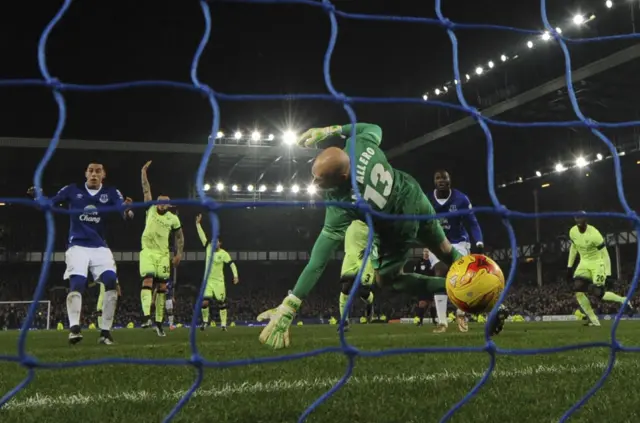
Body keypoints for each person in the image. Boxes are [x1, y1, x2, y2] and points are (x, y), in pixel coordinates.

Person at [259, 123, 480, 349]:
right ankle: (483, 279)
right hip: (413, 195)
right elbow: (375, 128)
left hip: (397, 228)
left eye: (320, 179)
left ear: (343, 177)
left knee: (388, 280)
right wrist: (331, 130)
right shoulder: (359, 144)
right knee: (444, 249)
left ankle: (454, 289)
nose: (315, 182)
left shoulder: (341, 203)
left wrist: (291, 304)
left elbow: (318, 261)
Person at [28, 162, 133, 345]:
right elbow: (49, 203)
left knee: (110, 281)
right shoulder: (72, 190)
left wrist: (128, 210)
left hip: (100, 246)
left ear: (103, 174)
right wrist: (38, 197)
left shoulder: (111, 192)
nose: (94, 174)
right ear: (85, 173)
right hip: (77, 245)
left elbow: (124, 212)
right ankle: (75, 329)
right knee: (78, 282)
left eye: (98, 171)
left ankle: (105, 333)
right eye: (90, 171)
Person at [426, 170, 483, 333]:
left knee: (461, 276)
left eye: (444, 178)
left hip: (459, 242)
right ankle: (442, 322)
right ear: (434, 182)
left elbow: (472, 222)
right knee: (440, 273)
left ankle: (461, 313)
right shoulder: (427, 199)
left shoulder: (461, 199)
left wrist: (479, 242)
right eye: (437, 178)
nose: (441, 180)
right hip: (436, 241)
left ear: (450, 181)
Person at [139, 161, 184, 337]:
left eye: (165, 202)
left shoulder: (173, 219)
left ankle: (158, 323)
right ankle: (145, 317)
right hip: (148, 252)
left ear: (169, 205)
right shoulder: (149, 209)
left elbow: (180, 237)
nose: (162, 203)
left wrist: (179, 254)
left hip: (163, 255)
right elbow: (145, 189)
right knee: (148, 281)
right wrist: (143, 172)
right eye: (160, 201)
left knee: (163, 287)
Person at [567, 212, 635, 326]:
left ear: (585, 220)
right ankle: (594, 321)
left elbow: (605, 254)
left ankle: (623, 300)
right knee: (578, 290)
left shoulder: (594, 234)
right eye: (577, 220)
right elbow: (573, 248)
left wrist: (608, 274)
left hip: (597, 263)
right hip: (584, 262)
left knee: (599, 294)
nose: (579, 223)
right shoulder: (572, 232)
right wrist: (569, 266)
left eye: (581, 220)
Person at [196, 214, 239, 331]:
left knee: (221, 303)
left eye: (217, 242)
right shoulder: (208, 247)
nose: (214, 243)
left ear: (220, 243)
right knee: (204, 303)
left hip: (219, 282)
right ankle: (205, 322)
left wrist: (235, 275)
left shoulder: (224, 254)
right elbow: (202, 236)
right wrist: (198, 224)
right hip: (208, 281)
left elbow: (232, 264)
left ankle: (224, 325)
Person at [337, 220, 376, 331]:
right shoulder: (351, 213)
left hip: (366, 257)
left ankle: (370, 303)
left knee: (363, 290)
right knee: (345, 288)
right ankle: (344, 322)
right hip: (351, 255)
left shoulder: (373, 216)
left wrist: (371, 248)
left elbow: (381, 237)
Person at [413, 248, 438, 327]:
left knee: (432, 304)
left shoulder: (432, 263)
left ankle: (434, 320)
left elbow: (435, 274)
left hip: (430, 285)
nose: (426, 253)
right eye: (425, 251)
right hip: (422, 286)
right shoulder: (419, 262)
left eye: (427, 252)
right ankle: (420, 321)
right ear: (423, 253)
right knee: (422, 304)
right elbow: (415, 274)